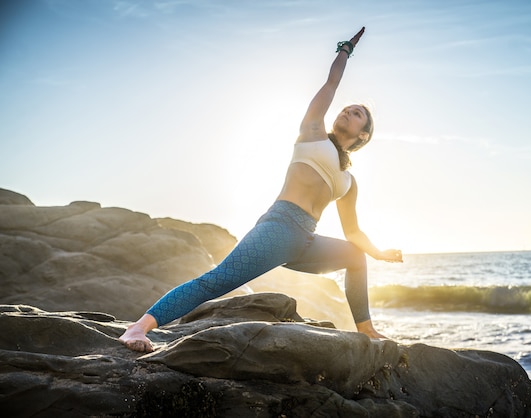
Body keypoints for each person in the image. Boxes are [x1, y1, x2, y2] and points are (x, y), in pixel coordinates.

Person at [119, 27, 403, 353]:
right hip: (278, 228)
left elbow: (352, 231)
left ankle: (367, 330)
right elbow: (331, 84)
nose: (346, 111)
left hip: (306, 241)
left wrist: (377, 252)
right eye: (347, 108)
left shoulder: (349, 182)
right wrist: (345, 50)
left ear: (363, 135)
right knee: (218, 281)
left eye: (356, 114)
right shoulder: (312, 132)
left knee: (356, 256)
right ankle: (138, 328)